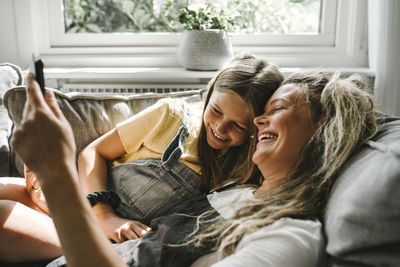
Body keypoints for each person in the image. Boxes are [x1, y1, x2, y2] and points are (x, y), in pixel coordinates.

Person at [10, 70, 377, 266]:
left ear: (324, 133)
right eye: (216, 112)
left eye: (276, 110)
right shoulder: (240, 189)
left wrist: (57, 175)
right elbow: (97, 154)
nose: (260, 121)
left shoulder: (290, 235)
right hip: (92, 226)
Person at [0, 53, 284, 262]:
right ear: (209, 95)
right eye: (217, 111)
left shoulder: (247, 168)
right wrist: (102, 213)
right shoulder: (172, 116)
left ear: (257, 127)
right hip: (82, 200)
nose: (220, 129)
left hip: (88, 236)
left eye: (238, 126)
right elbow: (93, 152)